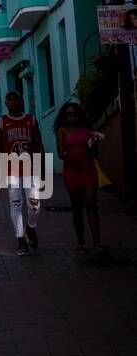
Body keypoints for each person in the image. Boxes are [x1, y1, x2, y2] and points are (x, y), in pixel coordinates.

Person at [0, 90, 43, 256]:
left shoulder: (31, 120)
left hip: (31, 169)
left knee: (34, 205)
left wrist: (42, 168)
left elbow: (38, 145)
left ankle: (31, 227)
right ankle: (21, 240)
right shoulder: (1, 122)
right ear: (6, 103)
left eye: (16, 99)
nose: (13, 102)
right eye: (9, 99)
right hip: (11, 170)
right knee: (16, 204)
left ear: (21, 101)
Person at [54, 100, 105, 255]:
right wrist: (70, 159)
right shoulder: (61, 131)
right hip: (71, 170)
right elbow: (60, 152)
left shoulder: (86, 129)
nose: (72, 117)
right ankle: (81, 241)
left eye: (75, 114)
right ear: (64, 116)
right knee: (76, 205)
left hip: (87, 168)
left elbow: (92, 147)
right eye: (69, 115)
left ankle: (97, 242)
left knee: (91, 203)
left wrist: (94, 144)